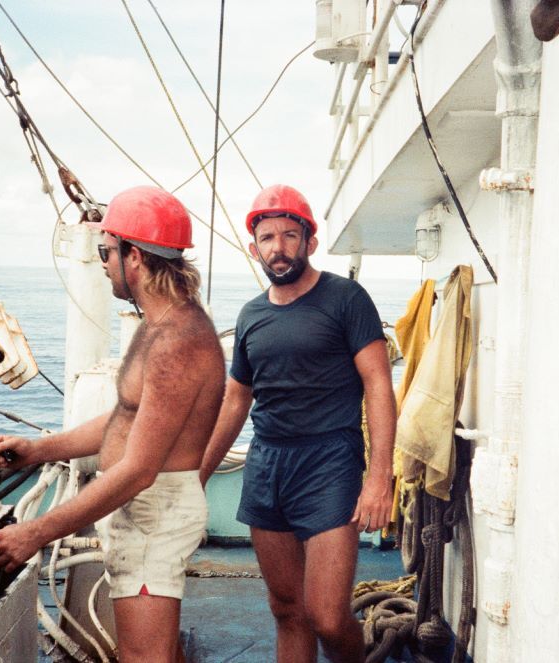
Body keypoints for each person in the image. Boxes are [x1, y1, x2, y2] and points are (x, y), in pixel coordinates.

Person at [0, 186, 225, 663]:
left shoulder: (176, 341)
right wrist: (38, 449)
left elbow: (138, 469)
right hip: (144, 509)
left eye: (105, 251)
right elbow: (123, 420)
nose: (105, 264)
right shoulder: (159, 326)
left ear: (134, 256)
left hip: (155, 512)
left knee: (142, 657)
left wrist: (37, 532)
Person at [199, 184, 396, 662]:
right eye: (267, 237)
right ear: (254, 248)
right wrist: (198, 475)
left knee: (327, 616)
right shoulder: (251, 315)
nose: (278, 247)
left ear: (309, 241)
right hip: (268, 464)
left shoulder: (346, 298)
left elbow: (378, 386)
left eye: (290, 235)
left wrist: (379, 478)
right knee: (287, 610)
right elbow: (236, 399)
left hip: (330, 461)